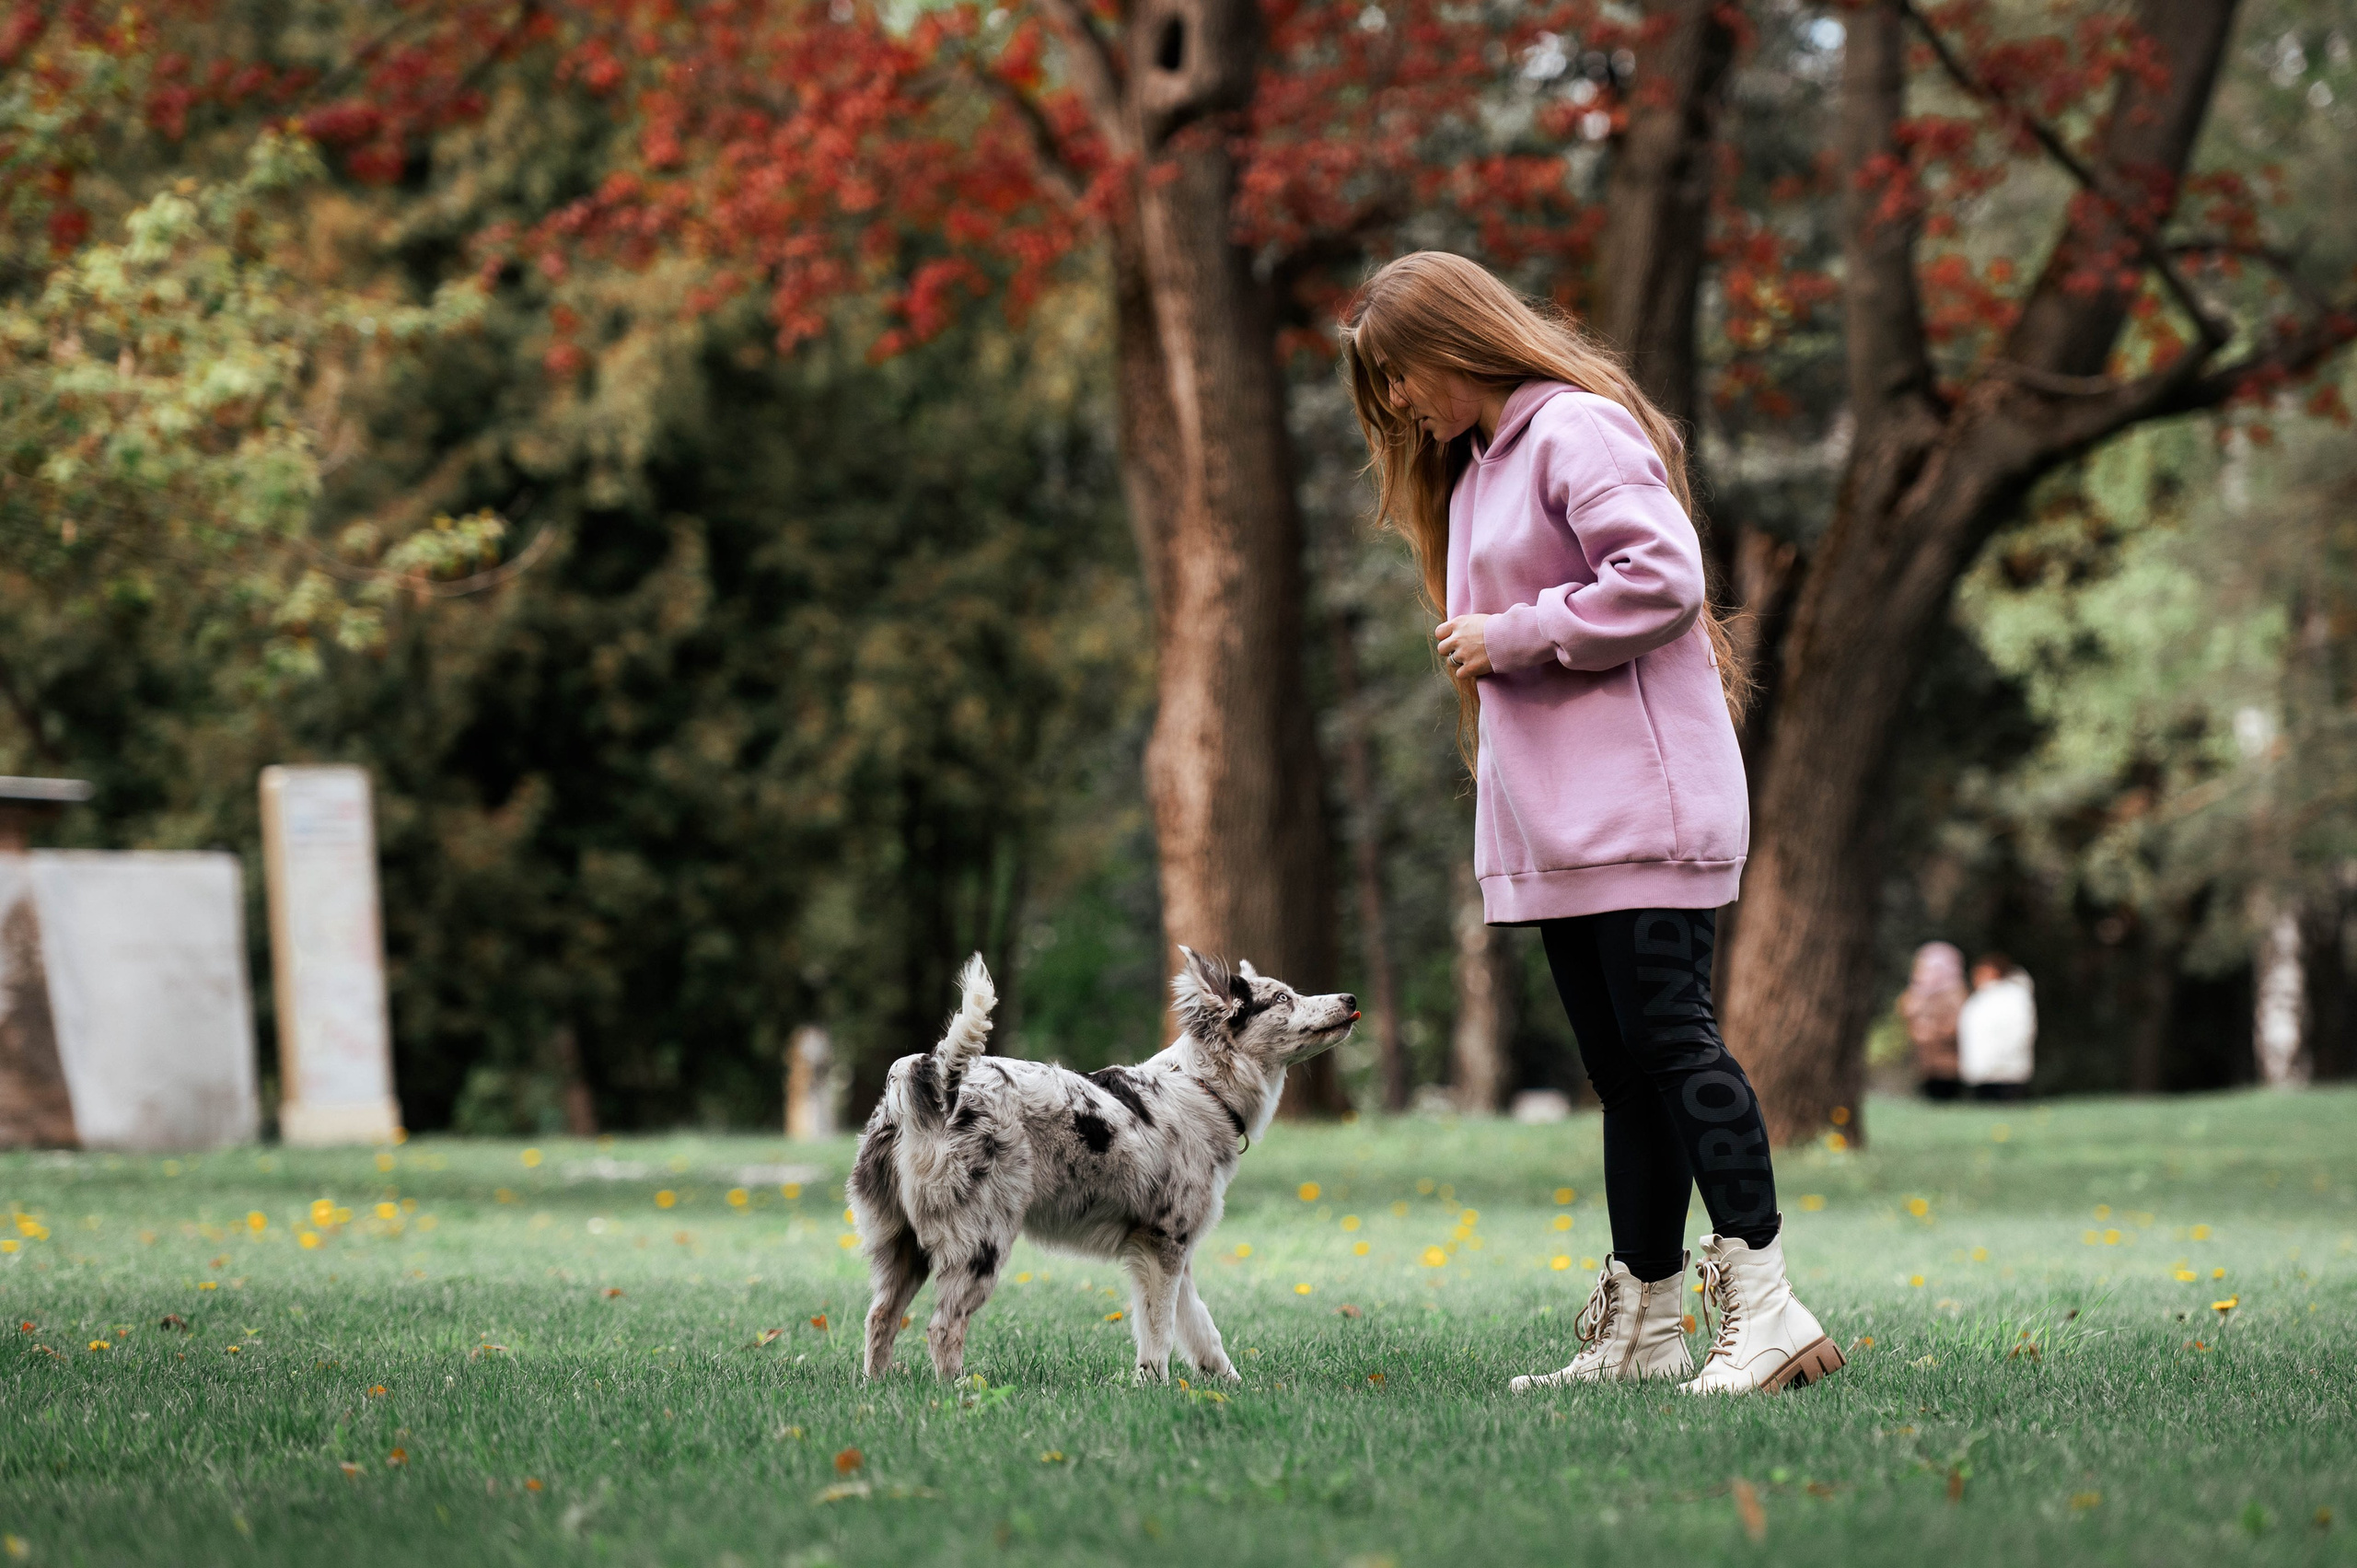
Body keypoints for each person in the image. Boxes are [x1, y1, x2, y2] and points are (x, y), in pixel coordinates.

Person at [1341, 251, 1840, 1396]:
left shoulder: (1574, 429)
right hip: (1564, 828)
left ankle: (1767, 1306)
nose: (1399, 406)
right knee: (1626, 1076)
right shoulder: (1473, 469)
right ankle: (1646, 1324)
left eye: (1399, 376)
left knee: (1675, 1048)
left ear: (1457, 339)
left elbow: (1663, 574)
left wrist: (1511, 632)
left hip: (1643, 812)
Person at [1957, 953, 2036, 1101]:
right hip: (1982, 1073)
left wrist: (2000, 1058)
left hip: (2007, 1072)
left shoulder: (2013, 996)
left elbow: (2020, 1031)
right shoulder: (1978, 999)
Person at [1899, 941, 1968, 1100]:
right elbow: (1906, 1013)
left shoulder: (1956, 993)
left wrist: (1933, 1032)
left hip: (1948, 1063)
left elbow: (1958, 1025)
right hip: (1924, 1061)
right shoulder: (1917, 992)